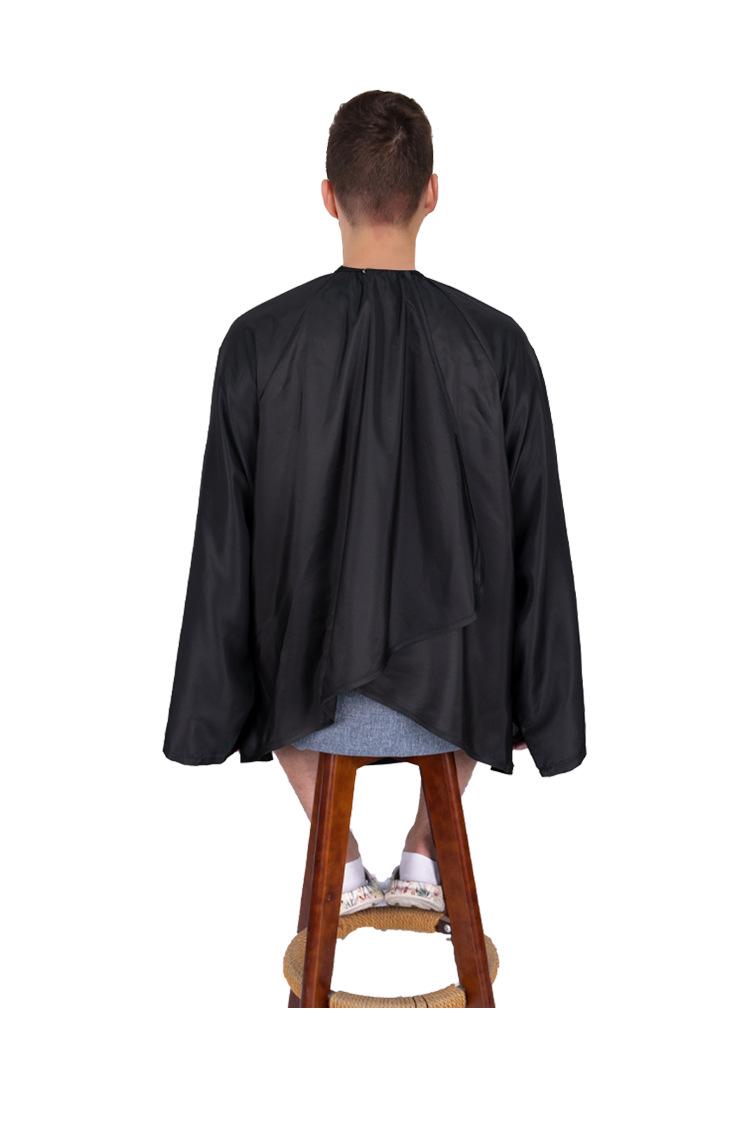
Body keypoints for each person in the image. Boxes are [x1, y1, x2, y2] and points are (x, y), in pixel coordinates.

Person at [162, 90, 587, 915]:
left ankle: (345, 861)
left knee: (261, 590)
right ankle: (427, 847)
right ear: (432, 193)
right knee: (500, 581)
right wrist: (544, 712)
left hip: (306, 704)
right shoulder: (499, 346)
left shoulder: (257, 341)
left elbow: (222, 554)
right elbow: (542, 547)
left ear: (328, 197)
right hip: (461, 704)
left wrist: (210, 716)